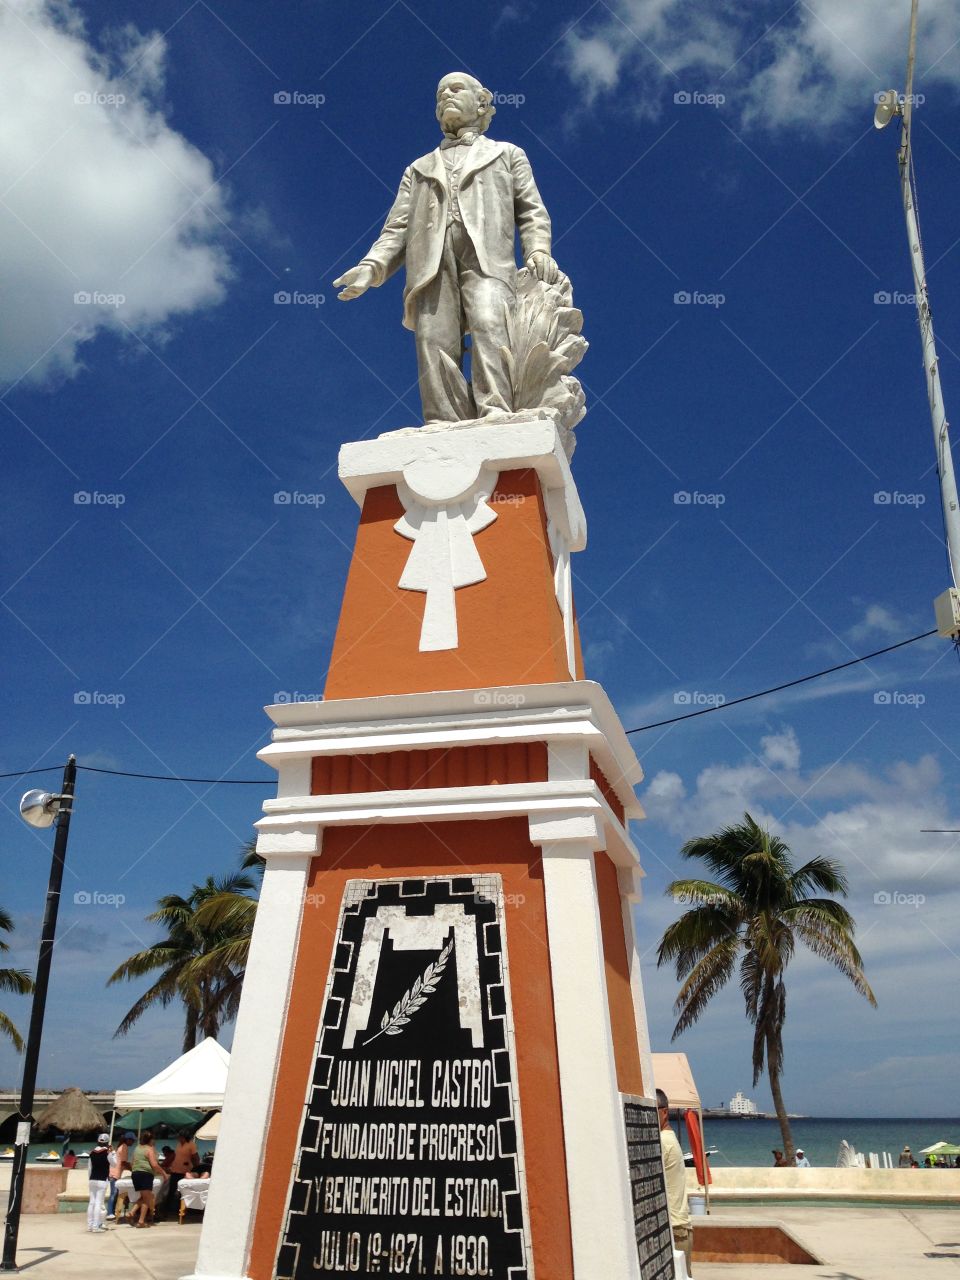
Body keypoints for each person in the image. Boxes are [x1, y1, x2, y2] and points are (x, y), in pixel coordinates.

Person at [334, 72, 558, 425]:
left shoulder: (506, 154)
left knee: (491, 324)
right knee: (434, 340)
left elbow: (531, 210)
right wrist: (371, 268)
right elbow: (397, 229)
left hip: (487, 261)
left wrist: (538, 250)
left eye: (456, 89)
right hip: (431, 265)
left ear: (481, 102)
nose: (446, 97)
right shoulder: (418, 169)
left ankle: (496, 410)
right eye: (440, 94)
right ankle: (442, 419)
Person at [657, 1088, 692, 1276]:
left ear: (664, 1112)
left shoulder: (662, 1141)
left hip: (674, 1228)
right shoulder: (670, 1137)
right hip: (680, 1227)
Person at [129, 1131, 168, 1227]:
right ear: (150, 1140)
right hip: (145, 1175)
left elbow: (132, 1163)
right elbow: (154, 1165)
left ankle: (131, 1212)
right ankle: (141, 1221)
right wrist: (163, 1173)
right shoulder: (149, 1149)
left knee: (144, 1197)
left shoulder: (137, 1148)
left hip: (135, 1174)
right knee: (147, 1199)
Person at [163, 1129, 199, 1219]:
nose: (178, 1138)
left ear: (184, 1137)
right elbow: (175, 1155)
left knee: (183, 1192)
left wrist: (196, 1169)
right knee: (171, 1191)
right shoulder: (179, 1144)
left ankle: (181, 1211)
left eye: (180, 1137)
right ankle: (166, 1211)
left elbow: (195, 1157)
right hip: (175, 1170)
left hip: (185, 1172)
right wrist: (166, 1164)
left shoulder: (191, 1145)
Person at [86, 1133, 111, 1233]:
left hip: (92, 1179)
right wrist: (112, 1152)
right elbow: (115, 1163)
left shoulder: (92, 1153)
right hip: (102, 1180)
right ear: (107, 1143)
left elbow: (89, 1168)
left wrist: (90, 1179)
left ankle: (90, 1226)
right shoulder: (107, 1152)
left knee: (91, 1202)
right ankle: (96, 1227)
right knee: (98, 1203)